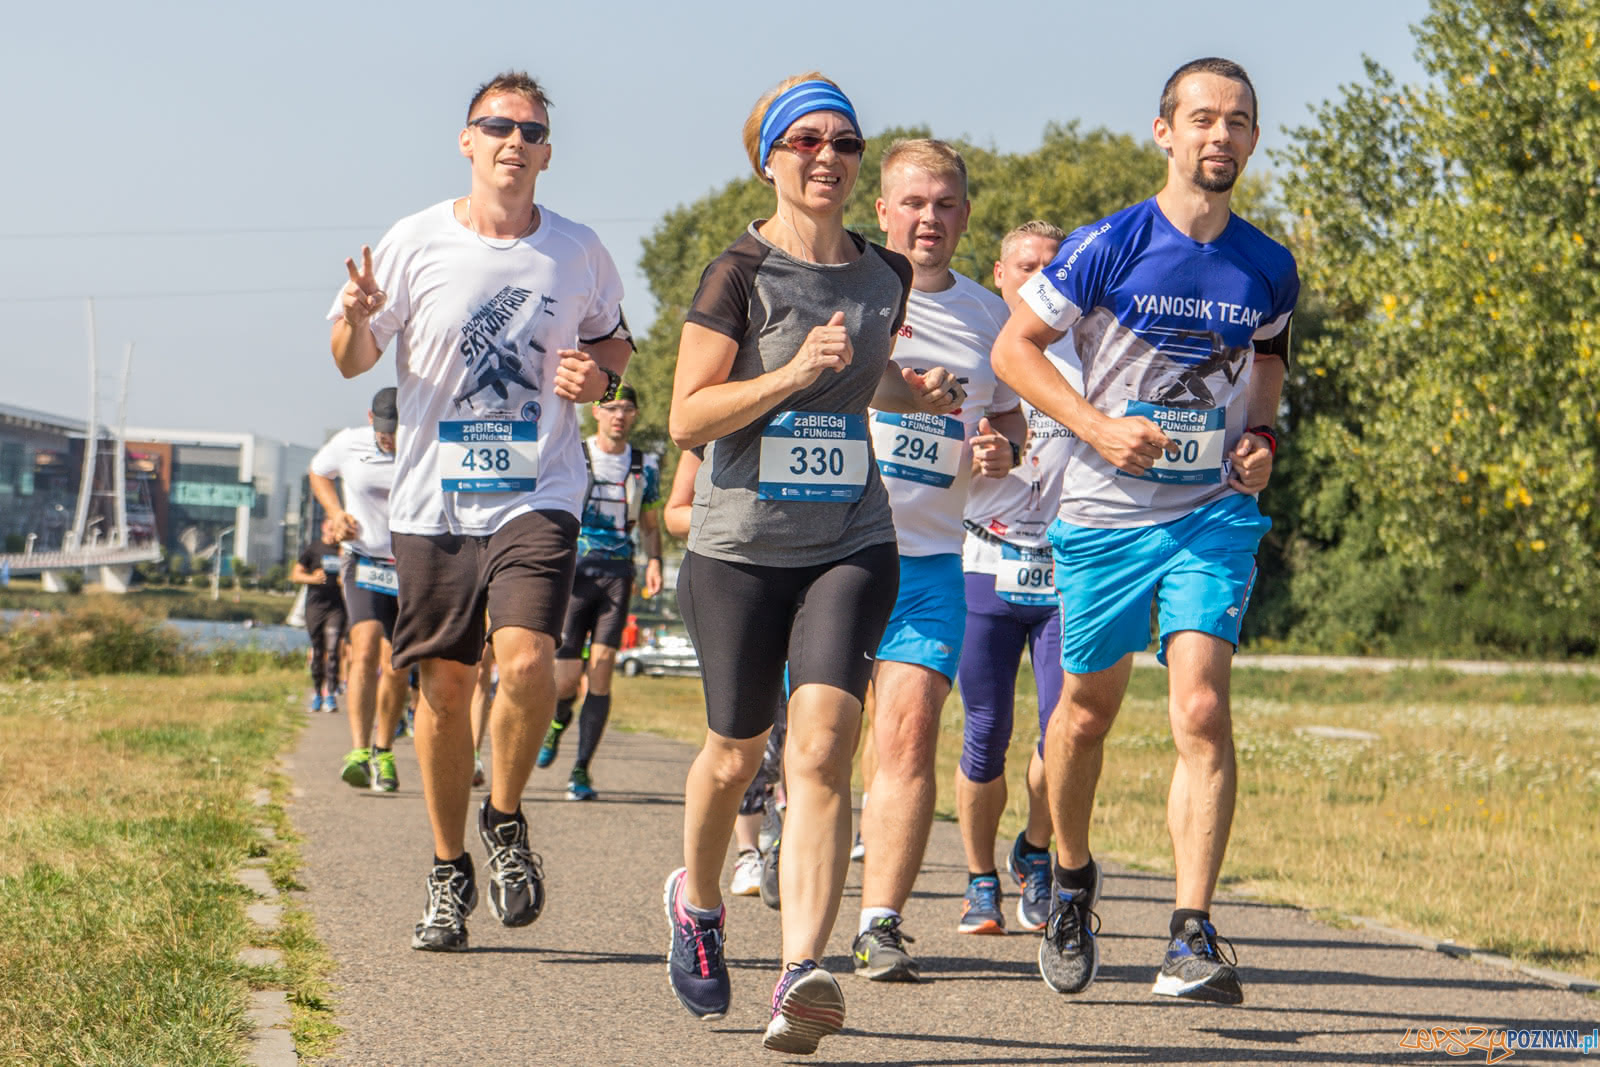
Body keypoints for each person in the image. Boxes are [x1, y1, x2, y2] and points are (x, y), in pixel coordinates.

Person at [663, 72, 966, 1055]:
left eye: (843, 142)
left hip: (850, 539)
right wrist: (790, 374)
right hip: (738, 548)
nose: (828, 158)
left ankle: (800, 969)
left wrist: (908, 391)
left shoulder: (885, 272)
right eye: (807, 143)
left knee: (825, 745)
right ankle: (698, 898)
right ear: (771, 159)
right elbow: (687, 414)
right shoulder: (736, 273)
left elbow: (864, 360)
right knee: (733, 752)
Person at [991, 57, 1298, 1004]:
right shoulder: (1108, 245)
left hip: (1210, 515)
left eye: (1238, 121)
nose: (1221, 135)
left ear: (1251, 138)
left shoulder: (1268, 263)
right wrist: (1093, 425)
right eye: (1202, 117)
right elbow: (1015, 348)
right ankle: (1074, 878)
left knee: (1202, 704)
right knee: (1083, 714)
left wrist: (1260, 442)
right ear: (1164, 131)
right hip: (1104, 514)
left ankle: (1191, 930)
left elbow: (1270, 369)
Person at [329, 70, 633, 953]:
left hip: (538, 490)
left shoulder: (577, 250)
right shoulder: (413, 240)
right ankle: (446, 866)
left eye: (531, 130)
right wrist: (353, 315)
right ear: (467, 141)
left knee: (529, 655)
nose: (514, 141)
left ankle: (503, 817)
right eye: (496, 126)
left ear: (546, 150)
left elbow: (616, 338)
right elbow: (352, 361)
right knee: (445, 686)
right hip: (432, 499)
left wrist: (602, 376)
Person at [853, 139, 1026, 981]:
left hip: (928, 558)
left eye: (946, 204)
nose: (929, 219)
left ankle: (880, 921)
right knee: (819, 742)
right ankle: (786, 832)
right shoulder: (849, 286)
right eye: (913, 203)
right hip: (831, 552)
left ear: (964, 214)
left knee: (911, 735)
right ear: (882, 211)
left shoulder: (993, 317)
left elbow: (1013, 423)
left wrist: (1000, 448)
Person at [954, 221, 1076, 936]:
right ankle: (978, 880)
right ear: (1000, 274)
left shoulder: (1090, 358)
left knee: (1065, 733)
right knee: (985, 731)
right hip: (985, 561)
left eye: (1051, 269)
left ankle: (1033, 850)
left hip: (1066, 569)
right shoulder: (976, 356)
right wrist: (980, 457)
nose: (1037, 279)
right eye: (1025, 267)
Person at [536, 384, 662, 801]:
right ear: (596, 413)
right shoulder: (574, 452)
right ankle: (555, 724)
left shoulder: (645, 465)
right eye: (611, 408)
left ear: (635, 416)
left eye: (627, 409)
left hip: (618, 572)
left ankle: (581, 770)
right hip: (575, 572)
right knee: (566, 679)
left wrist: (655, 562)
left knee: (603, 669)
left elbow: (648, 523)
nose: (619, 416)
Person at [309, 386, 406, 792]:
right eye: (384, 431)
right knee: (364, 647)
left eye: (396, 431)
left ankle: (384, 750)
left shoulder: (425, 445)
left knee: (399, 662)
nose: (390, 439)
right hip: (363, 560)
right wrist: (336, 513)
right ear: (371, 419)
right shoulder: (349, 443)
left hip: (410, 567)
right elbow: (319, 472)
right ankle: (359, 752)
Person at [290, 517, 347, 713]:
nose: (333, 533)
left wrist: (344, 579)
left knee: (333, 650)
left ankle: (330, 694)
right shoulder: (313, 549)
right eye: (330, 529)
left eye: (336, 529)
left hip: (337, 606)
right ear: (323, 528)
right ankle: (316, 692)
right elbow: (295, 575)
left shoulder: (345, 549)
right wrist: (312, 578)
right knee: (318, 649)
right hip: (315, 606)